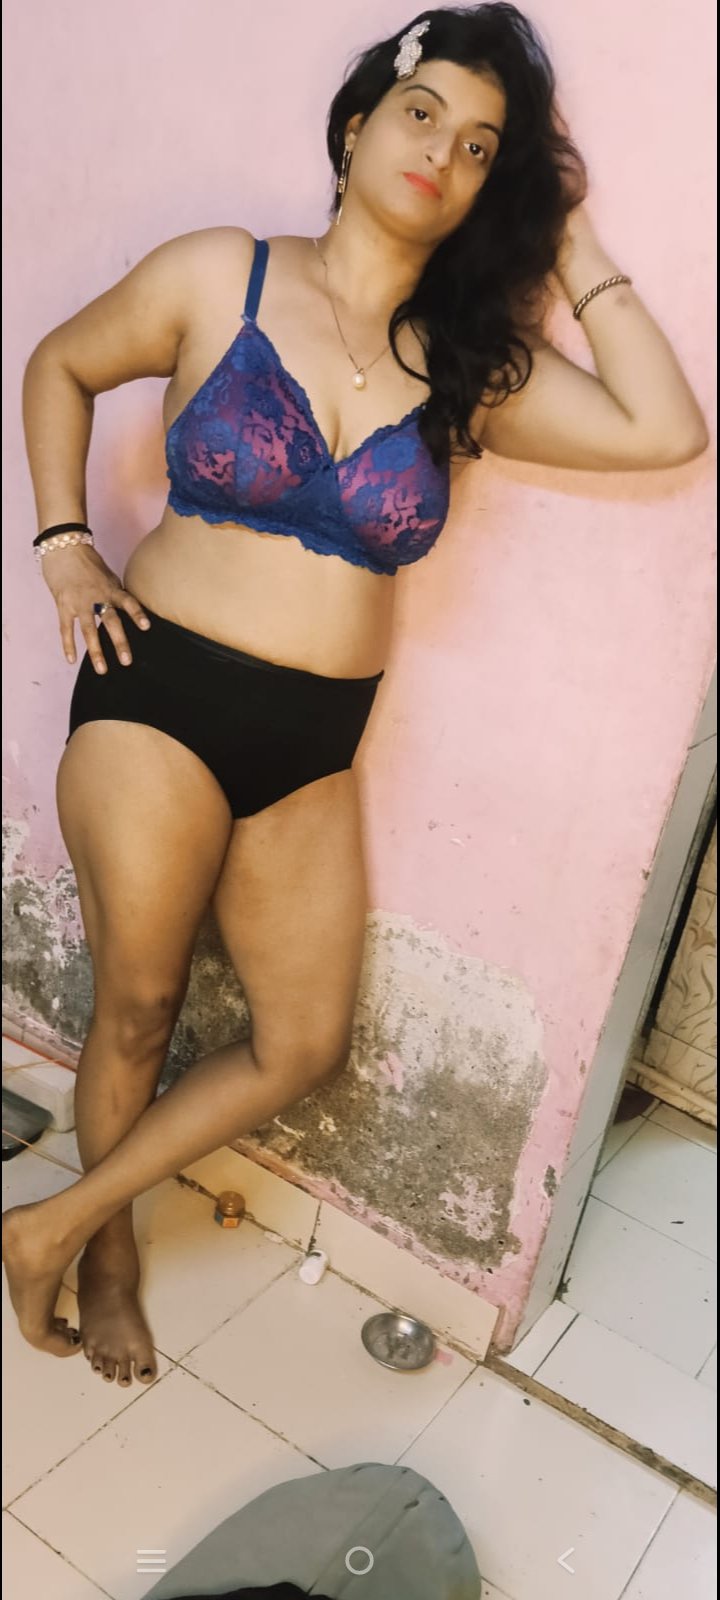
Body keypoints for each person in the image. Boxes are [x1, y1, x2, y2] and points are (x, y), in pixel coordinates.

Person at [3, 5, 708, 1389]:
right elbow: (59, 365)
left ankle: (51, 1222)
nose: (443, 153)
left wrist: (567, 235)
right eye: (423, 112)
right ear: (355, 127)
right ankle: (107, 1255)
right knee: (138, 1005)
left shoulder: (468, 370)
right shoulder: (223, 273)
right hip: (159, 694)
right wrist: (65, 541)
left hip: (316, 741)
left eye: (482, 147)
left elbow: (664, 428)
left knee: (304, 1041)